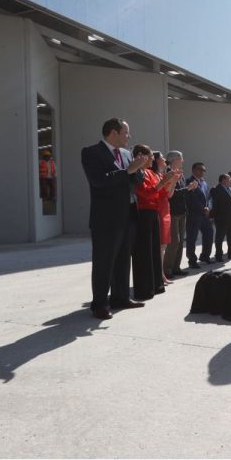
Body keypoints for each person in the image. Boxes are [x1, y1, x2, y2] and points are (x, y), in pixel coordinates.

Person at [81, 118, 149, 319]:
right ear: (114, 133)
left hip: (128, 215)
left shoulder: (127, 154)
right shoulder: (91, 153)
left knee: (123, 260)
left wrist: (139, 169)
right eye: (126, 132)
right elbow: (99, 181)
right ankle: (99, 304)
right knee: (104, 262)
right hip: (106, 219)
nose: (129, 136)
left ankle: (121, 298)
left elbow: (135, 181)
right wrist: (128, 171)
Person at [132, 144, 178, 300]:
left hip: (154, 213)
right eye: (150, 157)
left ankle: (156, 284)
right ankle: (145, 288)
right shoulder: (137, 173)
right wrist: (163, 182)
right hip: (143, 214)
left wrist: (171, 181)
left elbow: (162, 193)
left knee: (154, 251)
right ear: (142, 156)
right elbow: (146, 194)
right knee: (145, 252)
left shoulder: (150, 173)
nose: (152, 160)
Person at [163, 150, 198, 278]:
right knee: (174, 242)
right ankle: (167, 269)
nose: (182, 161)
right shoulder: (168, 173)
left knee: (180, 242)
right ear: (174, 159)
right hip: (173, 212)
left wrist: (190, 188)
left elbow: (181, 192)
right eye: (181, 158)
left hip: (182, 211)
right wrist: (187, 188)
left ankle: (176, 267)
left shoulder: (180, 174)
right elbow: (171, 194)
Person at [152, 151, 181, 285]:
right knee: (159, 246)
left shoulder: (161, 175)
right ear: (156, 161)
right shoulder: (153, 174)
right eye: (162, 158)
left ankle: (161, 274)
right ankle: (159, 275)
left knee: (163, 245)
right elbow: (154, 192)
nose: (165, 160)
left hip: (165, 211)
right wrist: (167, 180)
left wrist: (174, 181)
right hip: (158, 210)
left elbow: (169, 194)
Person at [185, 162, 214, 268]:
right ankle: (192, 260)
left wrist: (208, 207)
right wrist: (203, 209)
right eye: (200, 169)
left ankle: (205, 256)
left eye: (203, 170)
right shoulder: (188, 182)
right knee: (192, 238)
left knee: (209, 233)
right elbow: (191, 199)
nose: (202, 172)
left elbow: (209, 197)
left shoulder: (204, 183)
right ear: (193, 170)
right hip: (194, 214)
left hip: (205, 215)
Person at [210, 173, 231, 262]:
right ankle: (218, 255)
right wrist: (212, 216)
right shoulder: (216, 189)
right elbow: (214, 204)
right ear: (223, 180)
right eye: (229, 179)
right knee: (220, 238)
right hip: (221, 219)